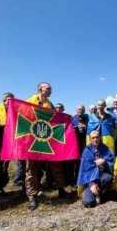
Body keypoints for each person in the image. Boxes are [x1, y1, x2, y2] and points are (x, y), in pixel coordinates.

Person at [25, 82, 65, 211]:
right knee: (32, 169)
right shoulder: (30, 101)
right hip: (33, 140)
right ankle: (32, 197)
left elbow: (54, 119)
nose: (50, 90)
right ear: (40, 89)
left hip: (47, 139)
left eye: (51, 89)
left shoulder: (50, 104)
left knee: (56, 165)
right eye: (48, 88)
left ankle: (60, 189)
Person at [77, 131, 115, 208]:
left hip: (102, 177)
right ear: (90, 139)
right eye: (93, 138)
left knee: (108, 177)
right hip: (89, 181)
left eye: (97, 137)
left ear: (100, 138)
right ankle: (94, 194)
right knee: (88, 203)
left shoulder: (105, 148)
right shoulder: (87, 151)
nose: (95, 139)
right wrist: (92, 184)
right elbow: (85, 170)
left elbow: (112, 159)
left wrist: (104, 161)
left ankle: (101, 194)